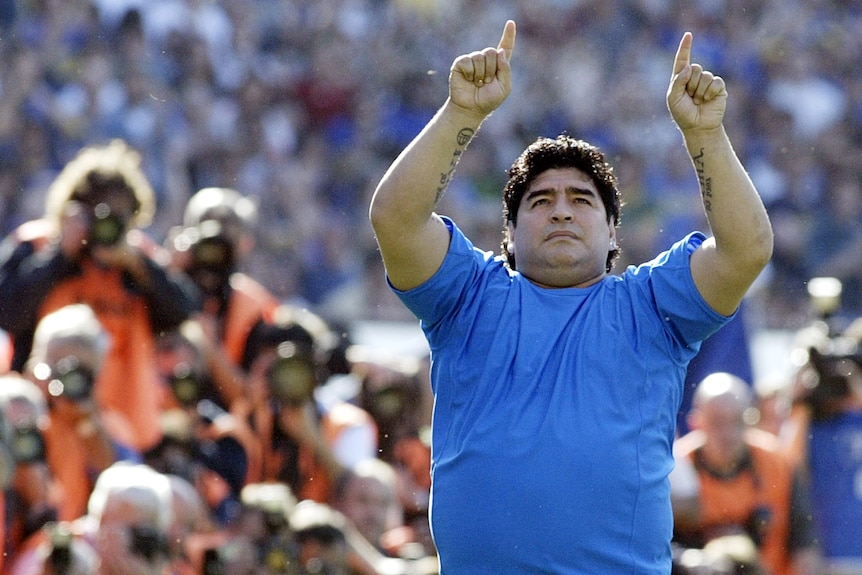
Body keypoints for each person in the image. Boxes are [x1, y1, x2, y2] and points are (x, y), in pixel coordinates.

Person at [368, 20, 773, 574]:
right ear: (508, 235)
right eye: (540, 201)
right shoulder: (467, 296)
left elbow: (747, 248)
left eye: (582, 200)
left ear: (613, 234)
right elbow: (394, 218)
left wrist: (705, 136)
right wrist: (462, 114)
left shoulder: (653, 306)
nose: (560, 208)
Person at [0, 140, 201, 451]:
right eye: (99, 211)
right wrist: (61, 255)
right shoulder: (38, 244)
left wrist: (137, 265)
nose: (106, 224)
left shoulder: (138, 259)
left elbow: (183, 312)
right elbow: (8, 313)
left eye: (119, 215)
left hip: (124, 431)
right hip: (44, 429)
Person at [671, 372, 822, 575]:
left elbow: (804, 543)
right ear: (695, 421)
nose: (728, 434)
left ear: (750, 419)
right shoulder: (676, 470)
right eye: (717, 422)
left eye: (737, 421)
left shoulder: (779, 464)